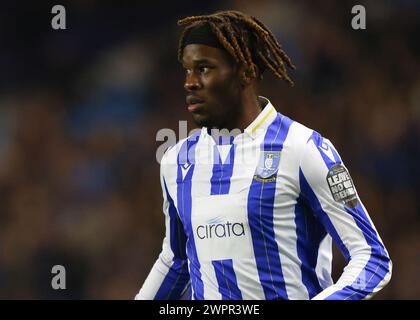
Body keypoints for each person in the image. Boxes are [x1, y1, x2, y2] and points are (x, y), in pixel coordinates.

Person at [135, 10, 392, 300]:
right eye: (187, 70)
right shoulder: (176, 161)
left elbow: (371, 258)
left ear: (246, 71)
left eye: (204, 68)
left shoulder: (303, 149)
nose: (190, 82)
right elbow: (176, 260)